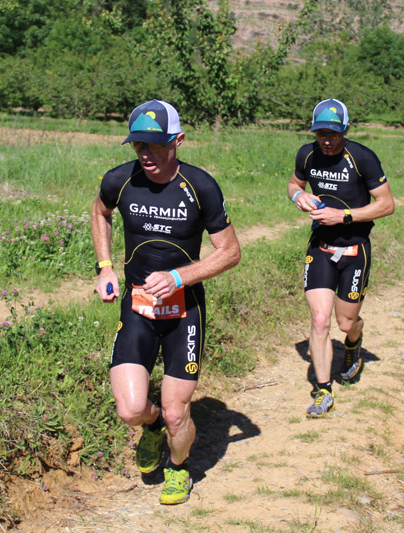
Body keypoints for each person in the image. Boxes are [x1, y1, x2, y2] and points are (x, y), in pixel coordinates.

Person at [91, 99, 241, 504]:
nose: (145, 154)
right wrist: (106, 266)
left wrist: (178, 277)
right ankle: (152, 427)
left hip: (184, 310)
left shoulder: (200, 186)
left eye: (155, 145)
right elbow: (100, 212)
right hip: (137, 306)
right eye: (138, 144)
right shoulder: (120, 180)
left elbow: (229, 251)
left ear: (177, 141)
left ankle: (178, 468)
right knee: (130, 409)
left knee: (179, 411)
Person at [287, 98, 395, 418]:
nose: (328, 140)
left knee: (345, 322)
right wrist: (298, 195)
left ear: (346, 130)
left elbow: (386, 204)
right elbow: (294, 183)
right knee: (320, 320)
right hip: (320, 246)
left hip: (354, 249)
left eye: (333, 134)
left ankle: (353, 343)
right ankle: (324, 390)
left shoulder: (362, 158)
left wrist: (345, 216)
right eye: (321, 134)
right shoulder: (307, 154)